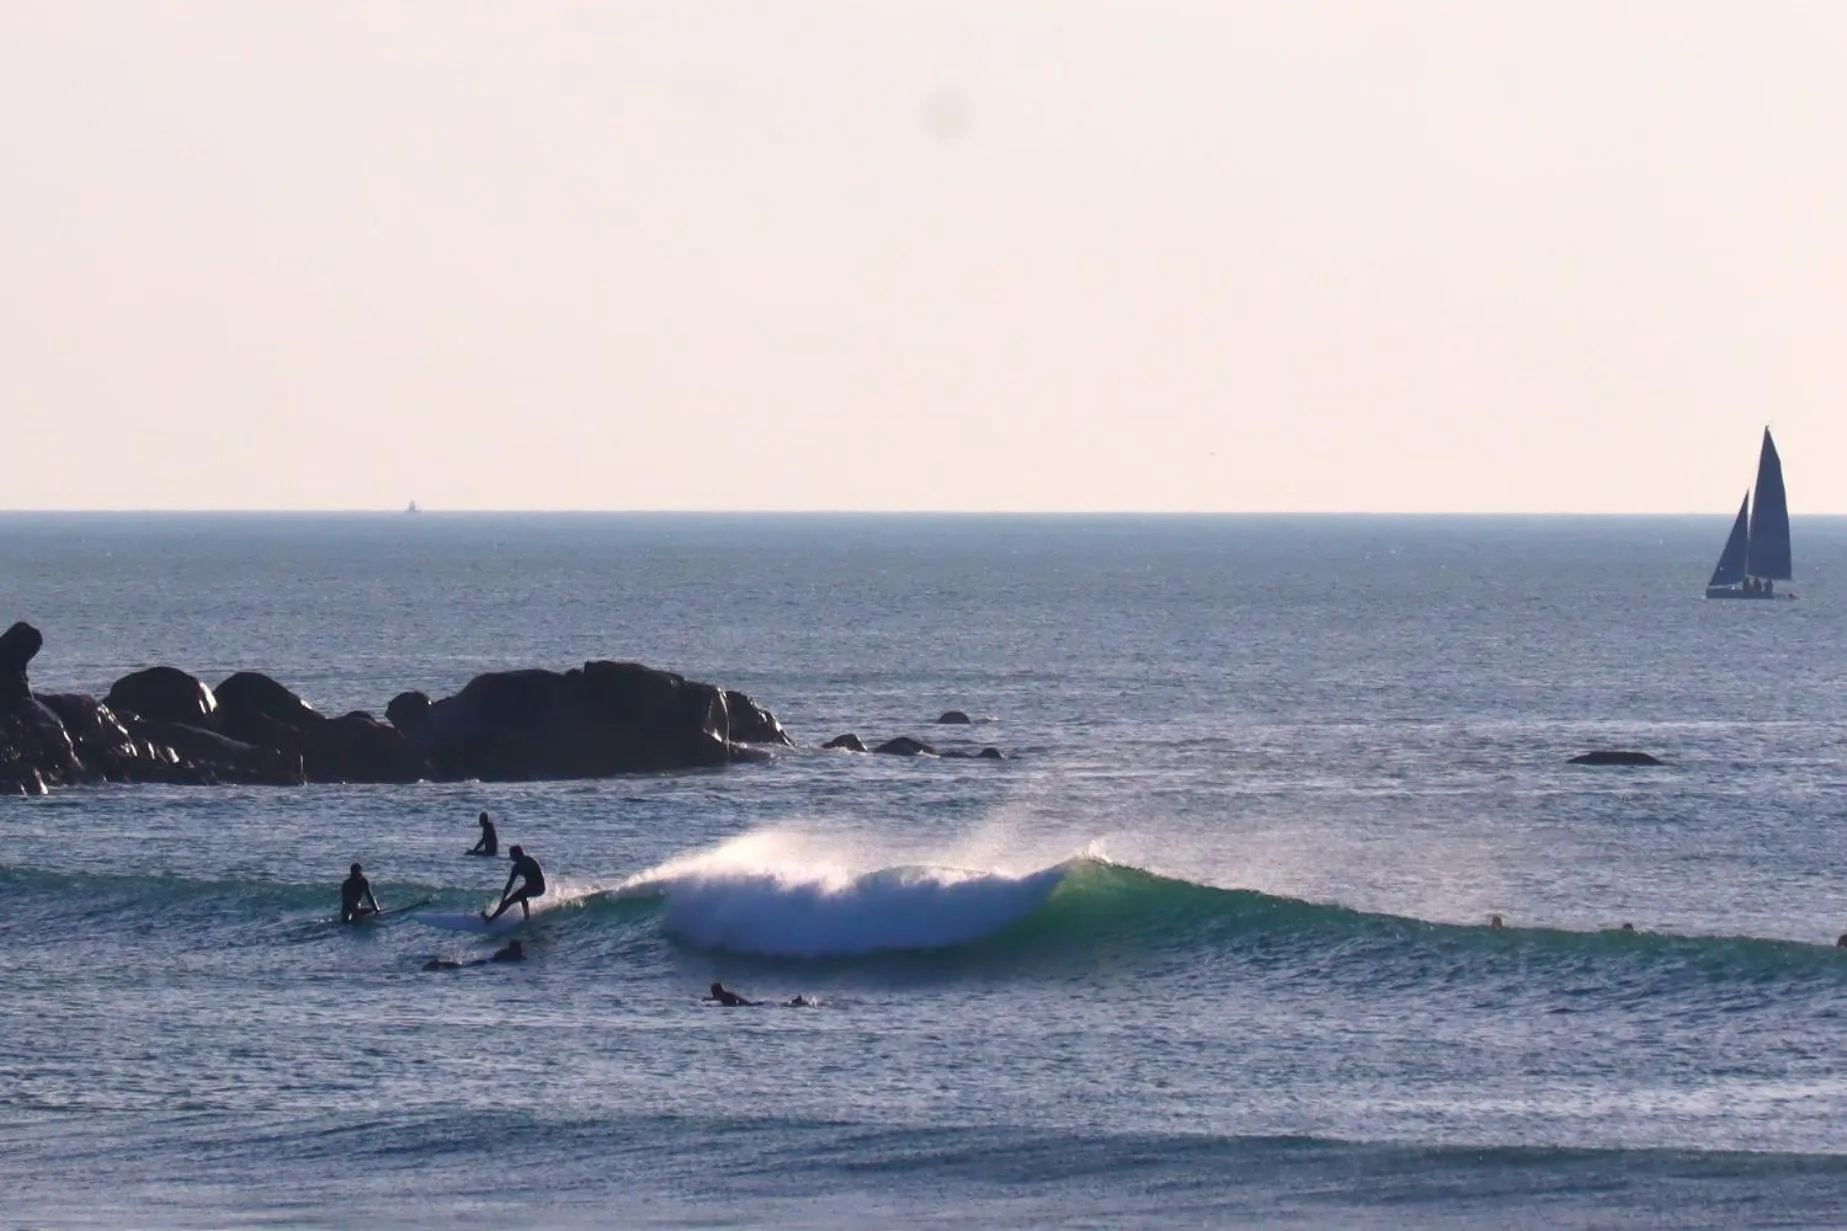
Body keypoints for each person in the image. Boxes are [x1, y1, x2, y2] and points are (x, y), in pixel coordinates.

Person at [482, 845, 545, 923]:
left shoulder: (529, 861)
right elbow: (509, 884)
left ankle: (527, 917)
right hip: (529, 888)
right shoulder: (516, 868)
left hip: (539, 888)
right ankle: (491, 919)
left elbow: (538, 875)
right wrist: (503, 899)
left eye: (511, 855)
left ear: (517, 854)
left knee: (521, 894)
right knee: (509, 901)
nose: (510, 857)